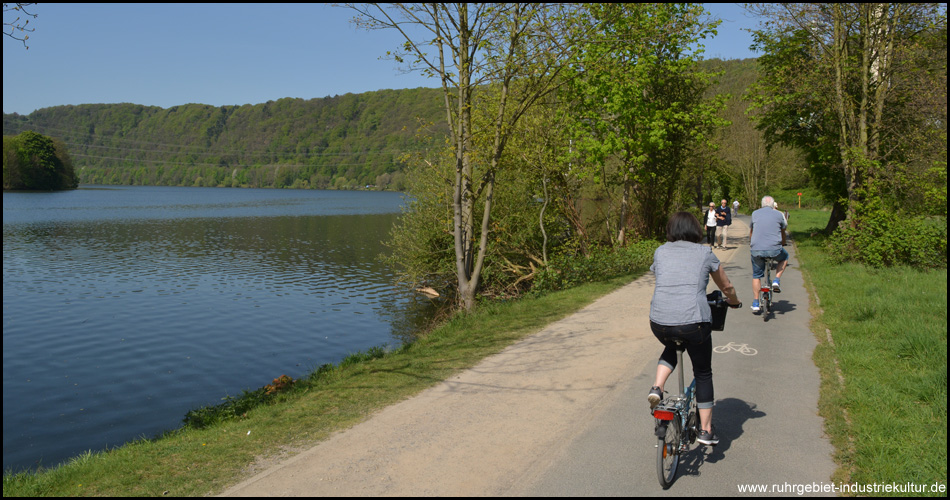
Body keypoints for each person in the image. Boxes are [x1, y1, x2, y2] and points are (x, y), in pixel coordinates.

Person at [647, 211, 742, 445]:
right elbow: (725, 285)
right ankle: (705, 431)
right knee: (702, 371)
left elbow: (661, 274)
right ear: (696, 230)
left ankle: (657, 388)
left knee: (672, 342)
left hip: (659, 321)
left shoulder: (660, 251)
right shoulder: (704, 252)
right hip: (693, 322)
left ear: (671, 230)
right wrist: (734, 301)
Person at [750, 195, 789, 313]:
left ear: (762, 204)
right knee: (785, 257)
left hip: (756, 249)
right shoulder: (779, 214)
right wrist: (783, 243)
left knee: (757, 275)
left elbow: (751, 232)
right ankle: (776, 280)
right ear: (773, 205)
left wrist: (751, 244)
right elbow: (783, 231)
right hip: (774, 249)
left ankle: (756, 303)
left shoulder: (755, 214)